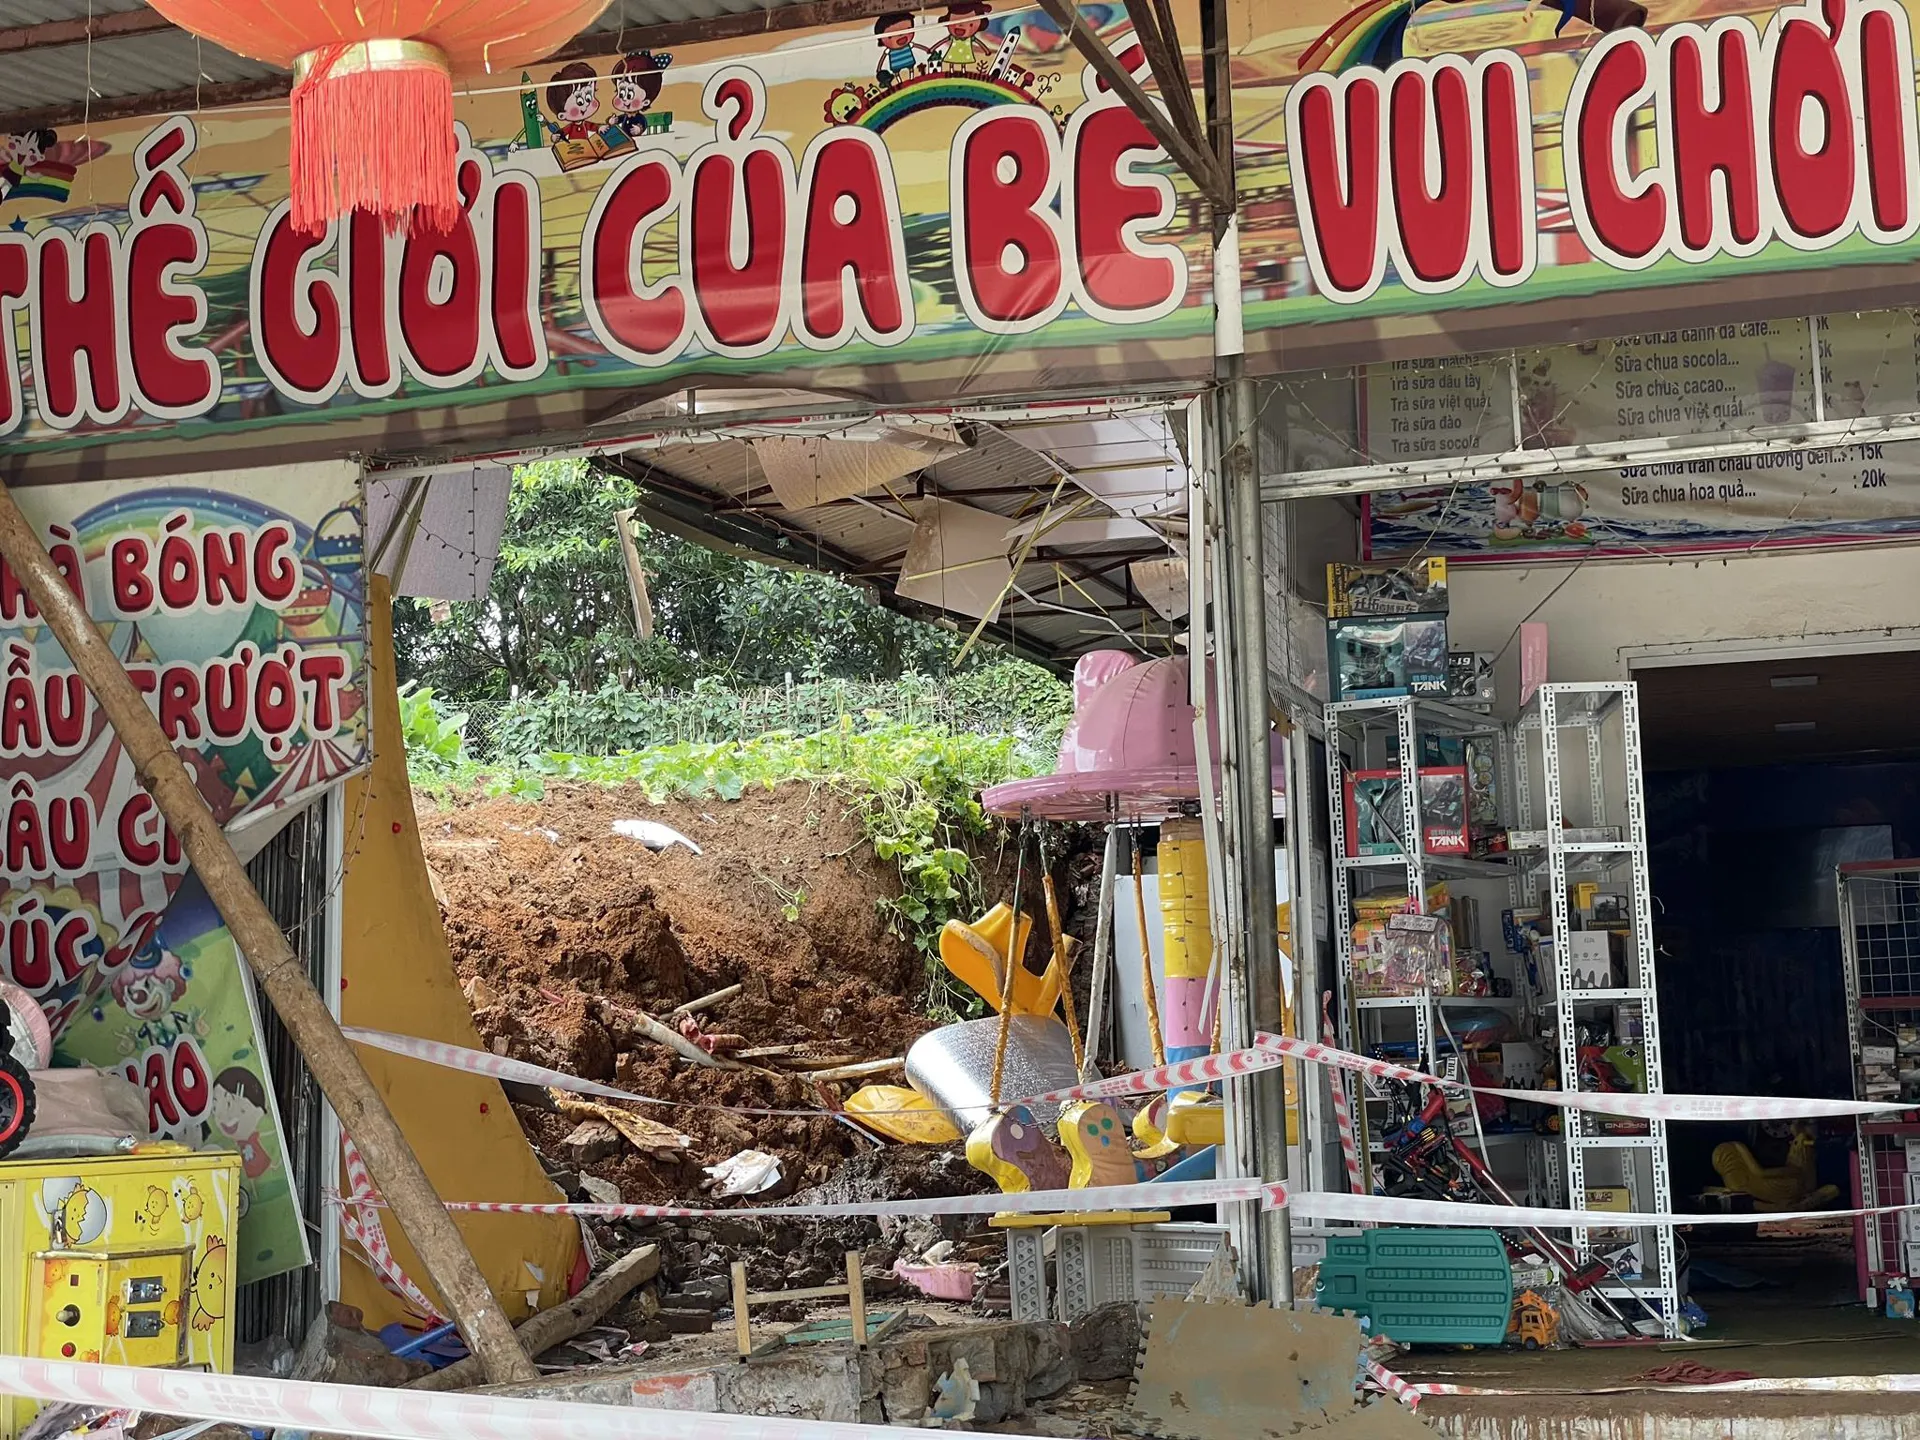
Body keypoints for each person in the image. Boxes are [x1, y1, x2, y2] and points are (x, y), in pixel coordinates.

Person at [610, 50, 670, 138]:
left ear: (645, 102)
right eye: (621, 93)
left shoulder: (639, 118)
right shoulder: (626, 116)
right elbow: (620, 119)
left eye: (630, 95)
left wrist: (639, 129)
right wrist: (614, 120)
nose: (624, 99)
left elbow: (643, 123)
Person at [545, 61, 602, 141]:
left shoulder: (585, 124)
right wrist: (555, 137)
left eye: (588, 98)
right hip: (574, 146)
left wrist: (599, 127)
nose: (586, 105)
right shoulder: (570, 127)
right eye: (580, 102)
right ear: (562, 115)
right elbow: (561, 133)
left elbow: (592, 126)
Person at [933, 2, 991, 69]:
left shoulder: (970, 38)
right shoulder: (952, 37)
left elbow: (980, 43)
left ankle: (963, 69)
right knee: (951, 61)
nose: (959, 25)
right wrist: (932, 49)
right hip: (953, 54)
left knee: (963, 62)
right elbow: (941, 42)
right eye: (954, 22)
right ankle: (951, 69)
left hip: (965, 55)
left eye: (970, 24)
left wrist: (987, 51)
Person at [874, 12, 922, 84]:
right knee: (896, 73)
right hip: (896, 64)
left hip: (908, 60)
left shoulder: (909, 45)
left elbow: (919, 46)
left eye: (907, 30)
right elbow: (882, 58)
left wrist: (928, 50)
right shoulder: (889, 50)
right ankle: (900, 83)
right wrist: (879, 69)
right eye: (891, 36)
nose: (901, 35)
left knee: (911, 69)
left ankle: (912, 79)